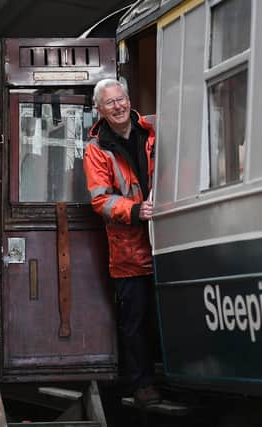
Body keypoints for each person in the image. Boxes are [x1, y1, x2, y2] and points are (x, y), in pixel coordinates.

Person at [83, 78, 160, 407]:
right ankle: (142, 384)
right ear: (99, 110)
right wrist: (134, 210)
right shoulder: (97, 149)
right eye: (110, 103)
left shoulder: (152, 132)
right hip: (128, 250)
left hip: (165, 238)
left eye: (122, 99)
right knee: (135, 322)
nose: (119, 106)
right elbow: (101, 201)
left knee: (163, 314)